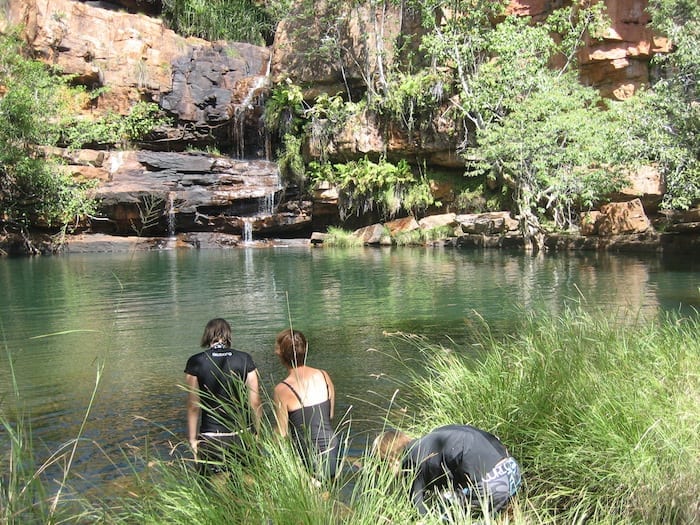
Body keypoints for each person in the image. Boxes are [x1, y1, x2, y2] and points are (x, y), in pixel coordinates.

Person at [373, 424, 521, 519]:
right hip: (513, 471)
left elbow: (418, 510)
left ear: (392, 459)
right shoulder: (436, 435)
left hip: (494, 486)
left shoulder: (412, 461)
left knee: (439, 510)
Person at [184, 318, 262, 474]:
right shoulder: (244, 359)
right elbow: (255, 402)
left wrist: (193, 439)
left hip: (211, 436)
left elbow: (193, 406)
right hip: (242, 433)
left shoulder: (196, 362)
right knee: (248, 485)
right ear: (228, 335)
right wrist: (257, 432)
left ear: (207, 335)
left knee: (215, 489)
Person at [273, 328, 339, 480]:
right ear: (306, 349)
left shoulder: (282, 389)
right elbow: (330, 416)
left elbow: (281, 434)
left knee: (316, 499)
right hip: (332, 446)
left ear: (281, 354)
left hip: (309, 454)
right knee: (329, 493)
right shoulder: (324, 375)